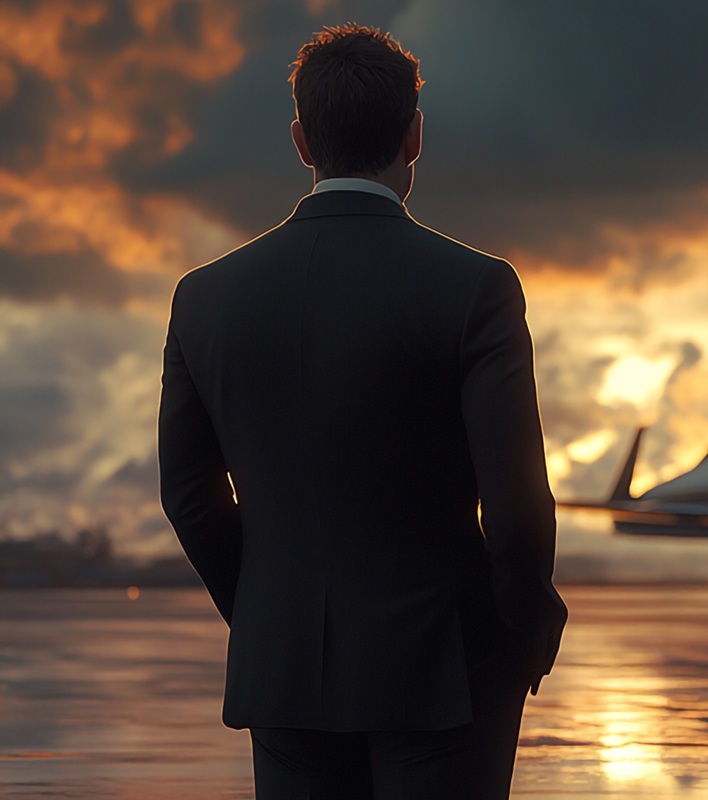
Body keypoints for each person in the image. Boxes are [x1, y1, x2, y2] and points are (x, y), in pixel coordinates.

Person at [158, 23, 564, 799]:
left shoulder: (203, 298)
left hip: (283, 677)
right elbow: (516, 512)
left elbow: (188, 497)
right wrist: (519, 629)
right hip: (443, 671)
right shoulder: (475, 288)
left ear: (301, 141)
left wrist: (267, 609)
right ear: (414, 135)